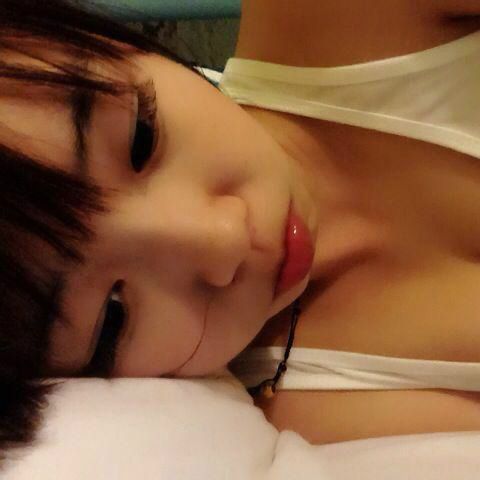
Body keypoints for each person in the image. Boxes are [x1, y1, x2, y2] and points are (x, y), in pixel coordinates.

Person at [1, 0, 480, 454]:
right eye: (113, 318)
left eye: (141, 139)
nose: (226, 238)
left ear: (114, 41)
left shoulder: (334, 15)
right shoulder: (318, 417)